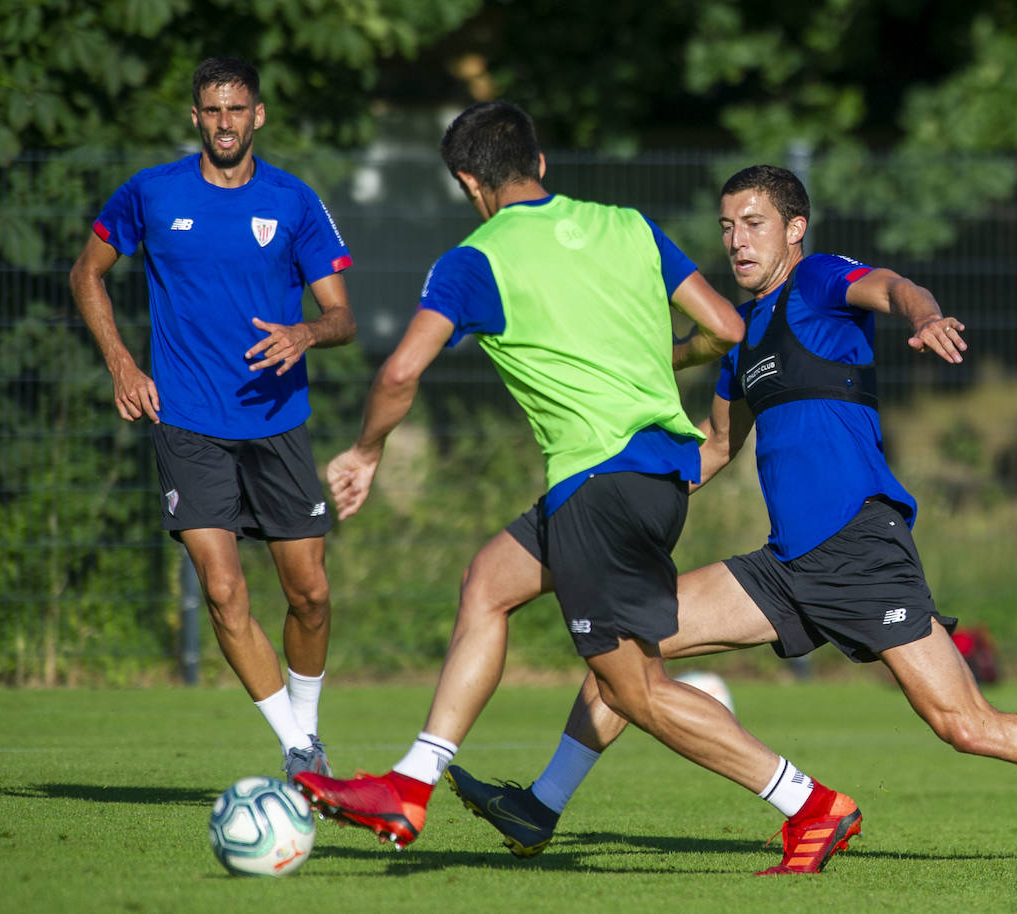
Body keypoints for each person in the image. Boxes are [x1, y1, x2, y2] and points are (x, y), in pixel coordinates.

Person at [444, 165, 1017, 864]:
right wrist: (615, 495)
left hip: (859, 549)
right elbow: (713, 448)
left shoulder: (816, 282)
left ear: (793, 229)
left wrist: (925, 313)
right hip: (784, 566)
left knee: (965, 725)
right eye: (727, 227)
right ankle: (540, 808)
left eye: (753, 224)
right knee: (626, 640)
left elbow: (893, 285)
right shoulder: (741, 345)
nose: (737, 241)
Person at [292, 103, 861, 876]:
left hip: (599, 482)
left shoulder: (475, 259)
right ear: (541, 164)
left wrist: (364, 451)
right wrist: (661, 359)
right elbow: (728, 327)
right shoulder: (627, 225)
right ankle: (411, 782)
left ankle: (810, 803)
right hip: (653, 475)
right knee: (488, 582)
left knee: (633, 689)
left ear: (468, 181)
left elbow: (399, 371)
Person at [69, 57, 356, 779]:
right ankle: (299, 751)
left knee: (311, 595)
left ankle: (309, 725)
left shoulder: (294, 202)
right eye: (211, 110)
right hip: (189, 421)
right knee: (224, 590)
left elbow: (342, 316)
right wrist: (122, 365)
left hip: (278, 421)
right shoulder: (152, 194)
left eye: (236, 110)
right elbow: (86, 272)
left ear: (257, 114)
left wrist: (306, 334)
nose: (224, 123)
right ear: (196, 117)